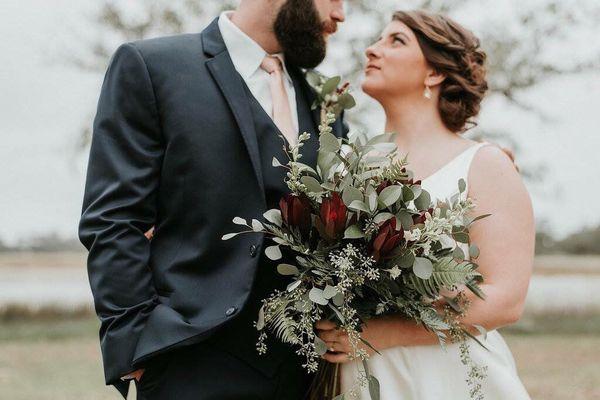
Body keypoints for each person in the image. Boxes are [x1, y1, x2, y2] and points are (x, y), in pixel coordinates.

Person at [78, 1, 347, 399]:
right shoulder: (153, 66)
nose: (341, 15)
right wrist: (135, 341)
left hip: (305, 369)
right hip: (192, 359)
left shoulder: (324, 100)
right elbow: (114, 218)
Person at [316, 10, 534, 399]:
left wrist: (382, 333)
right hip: (356, 377)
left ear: (434, 73)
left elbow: (505, 300)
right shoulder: (345, 166)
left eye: (395, 41)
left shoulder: (485, 164)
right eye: (378, 39)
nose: (371, 50)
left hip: (449, 378)